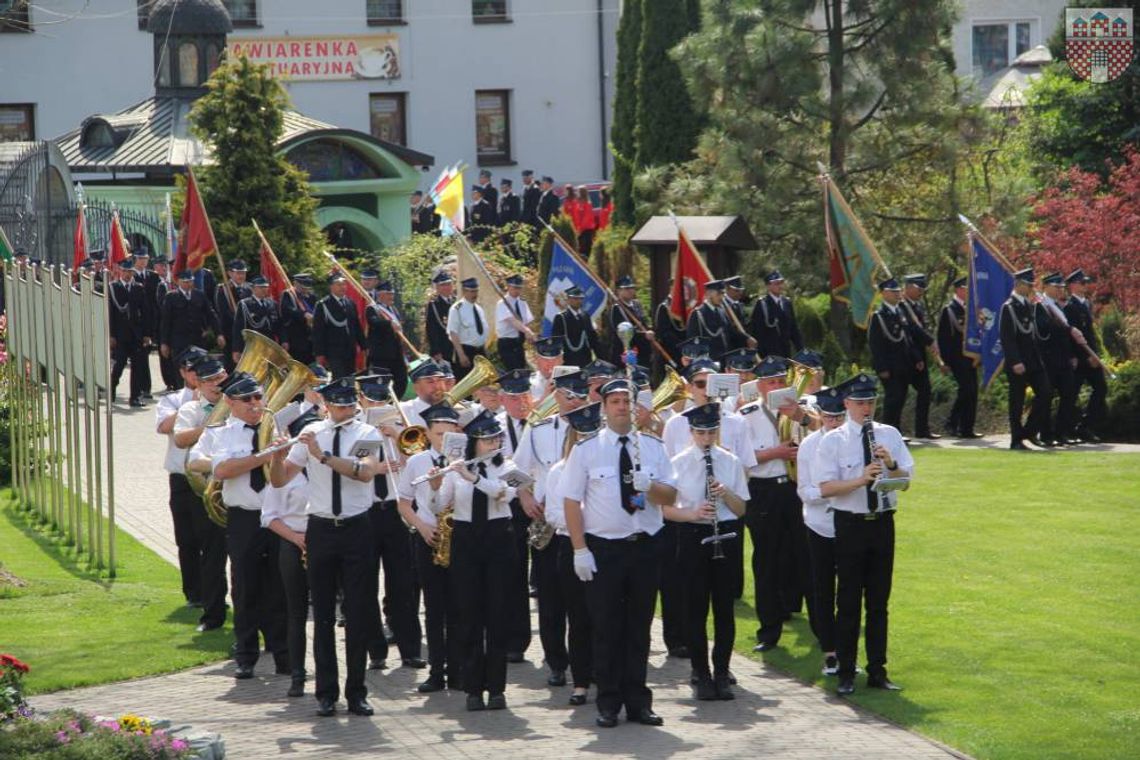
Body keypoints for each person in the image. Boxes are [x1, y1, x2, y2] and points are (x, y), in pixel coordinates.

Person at [562, 377, 678, 728]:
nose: (622, 407)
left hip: (644, 546)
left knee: (639, 627)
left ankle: (639, 702)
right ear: (604, 408)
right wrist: (579, 549)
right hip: (605, 549)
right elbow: (571, 501)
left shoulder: (654, 448)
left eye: (627, 401)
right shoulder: (587, 450)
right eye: (615, 402)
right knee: (606, 627)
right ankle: (608, 702)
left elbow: (671, 497)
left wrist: (651, 486)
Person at [270, 377, 383, 717]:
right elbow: (279, 479)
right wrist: (276, 455)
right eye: (340, 405)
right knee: (320, 615)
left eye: (350, 405)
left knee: (359, 612)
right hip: (320, 529)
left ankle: (357, 691)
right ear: (326, 406)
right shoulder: (311, 433)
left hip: (357, 529)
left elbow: (364, 473)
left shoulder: (367, 434)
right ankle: (326, 693)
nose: (347, 410)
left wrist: (324, 456)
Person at [815, 373, 914, 696]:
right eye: (860, 403)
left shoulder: (889, 434)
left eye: (870, 402)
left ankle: (878, 671)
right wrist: (860, 480)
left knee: (879, 602)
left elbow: (906, 480)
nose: (866, 408)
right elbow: (826, 488)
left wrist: (891, 463)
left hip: (882, 522)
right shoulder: (833, 440)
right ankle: (845, 671)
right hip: (850, 523)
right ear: (847, 404)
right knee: (848, 601)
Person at [206, 372, 289, 680]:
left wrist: (281, 453)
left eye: (258, 397)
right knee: (245, 587)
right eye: (247, 399)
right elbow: (223, 470)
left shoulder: (277, 428)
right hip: (244, 517)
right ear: (230, 403)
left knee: (281, 587)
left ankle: (285, 657)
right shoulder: (223, 433)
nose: (256, 404)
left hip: (277, 515)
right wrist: (262, 456)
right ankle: (245, 655)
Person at [666, 402, 748, 701]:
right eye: (700, 432)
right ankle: (700, 672)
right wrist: (692, 513)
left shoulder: (731, 461)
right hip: (693, 534)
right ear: (691, 432)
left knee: (725, 609)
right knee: (695, 609)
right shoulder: (676, 463)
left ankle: (722, 671)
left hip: (724, 534)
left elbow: (741, 511)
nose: (706, 438)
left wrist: (725, 493)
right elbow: (665, 510)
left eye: (711, 431)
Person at [513, 370, 590, 687]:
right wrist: (524, 494)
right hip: (548, 522)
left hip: (588, 524)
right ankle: (557, 661)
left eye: (579, 394)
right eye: (566, 393)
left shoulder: (595, 430)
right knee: (550, 598)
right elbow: (513, 470)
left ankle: (588, 663)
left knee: (585, 601)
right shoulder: (538, 428)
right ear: (555, 394)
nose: (573, 400)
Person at [439, 411, 518, 711]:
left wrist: (473, 477)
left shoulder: (508, 466)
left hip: (499, 538)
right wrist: (440, 481)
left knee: (498, 613)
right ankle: (473, 688)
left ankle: (497, 688)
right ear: (474, 442)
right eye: (486, 439)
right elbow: (438, 504)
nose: (493, 442)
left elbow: (504, 494)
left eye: (496, 437)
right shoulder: (456, 469)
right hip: (466, 538)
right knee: (468, 614)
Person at [737, 356, 811, 651]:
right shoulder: (747, 414)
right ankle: (769, 631)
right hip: (763, 490)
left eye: (782, 381)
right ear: (760, 385)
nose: (778, 386)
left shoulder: (801, 409)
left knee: (805, 557)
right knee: (766, 561)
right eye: (772, 382)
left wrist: (800, 419)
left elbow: (822, 436)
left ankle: (820, 628)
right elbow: (741, 458)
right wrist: (776, 452)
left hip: (794, 488)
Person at [357, 374, 426, 672]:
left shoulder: (401, 424)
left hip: (397, 510)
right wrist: (380, 465)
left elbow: (417, 461)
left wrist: (396, 437)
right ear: (361, 400)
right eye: (372, 400)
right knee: (366, 583)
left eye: (382, 400)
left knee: (404, 582)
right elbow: (355, 469)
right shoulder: (356, 429)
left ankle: (410, 648)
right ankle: (375, 650)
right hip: (367, 511)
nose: (378, 405)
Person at [397, 402, 464, 693]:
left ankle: (461, 669)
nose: (443, 440)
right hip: (429, 537)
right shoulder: (417, 461)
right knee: (434, 607)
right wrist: (420, 526)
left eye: (449, 434)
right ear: (429, 433)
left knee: (461, 607)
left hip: (461, 536)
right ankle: (437, 670)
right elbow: (402, 501)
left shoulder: (465, 461)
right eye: (438, 434)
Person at [546, 401, 602, 705]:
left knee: (605, 615)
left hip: (605, 543)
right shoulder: (559, 471)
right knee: (578, 617)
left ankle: (603, 674)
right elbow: (555, 514)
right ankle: (580, 681)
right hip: (571, 544)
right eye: (582, 436)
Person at [175, 356, 230, 632]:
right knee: (212, 553)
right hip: (207, 489)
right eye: (210, 381)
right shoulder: (191, 409)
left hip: (239, 489)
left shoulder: (239, 406)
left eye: (220, 380)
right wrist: (212, 421)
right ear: (199, 383)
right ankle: (213, 613)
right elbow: (180, 438)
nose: (216, 386)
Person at [795, 386, 847, 676]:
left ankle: (847, 651)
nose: (834, 422)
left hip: (850, 523)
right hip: (819, 524)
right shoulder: (809, 445)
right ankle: (830, 651)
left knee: (849, 591)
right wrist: (834, 492)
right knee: (823, 590)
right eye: (829, 417)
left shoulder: (854, 440)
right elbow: (805, 490)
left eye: (839, 416)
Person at [261, 423, 311, 699]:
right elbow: (269, 516)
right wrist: (295, 538)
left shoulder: (324, 471)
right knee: (296, 612)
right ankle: (297, 674)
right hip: (294, 543)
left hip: (323, 540)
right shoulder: (285, 473)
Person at [156, 347, 208, 607]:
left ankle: (212, 593)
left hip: (207, 477)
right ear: (182, 373)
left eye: (200, 369)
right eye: (191, 370)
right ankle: (193, 593)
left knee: (209, 539)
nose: (196, 374)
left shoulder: (218, 399)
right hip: (180, 476)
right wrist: (191, 406)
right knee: (186, 539)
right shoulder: (173, 400)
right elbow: (164, 427)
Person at [496, 369, 536, 661]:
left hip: (543, 504)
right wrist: (522, 492)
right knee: (514, 573)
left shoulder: (544, 423)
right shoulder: (494, 427)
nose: (521, 402)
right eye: (513, 397)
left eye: (524, 395)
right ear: (502, 399)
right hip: (511, 506)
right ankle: (515, 640)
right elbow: (500, 467)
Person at [999, 268, 1054, 450]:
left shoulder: (1029, 306)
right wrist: (1015, 361)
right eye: (1028, 285)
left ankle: (1029, 431)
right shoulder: (1009, 307)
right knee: (1017, 400)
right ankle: (1016, 439)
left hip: (1033, 360)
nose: (1031, 288)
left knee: (1045, 392)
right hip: (1018, 362)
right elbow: (1007, 337)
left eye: (1031, 285)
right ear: (1019, 284)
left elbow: (1037, 333)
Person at [869, 277, 922, 436]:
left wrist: (917, 358)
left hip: (904, 364)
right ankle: (887, 433)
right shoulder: (879, 316)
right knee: (892, 400)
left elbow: (908, 338)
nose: (897, 294)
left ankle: (896, 433)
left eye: (898, 291)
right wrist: (882, 367)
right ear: (884, 293)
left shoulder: (900, 311)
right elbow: (875, 345)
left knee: (901, 399)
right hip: (890, 367)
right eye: (894, 292)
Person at [1037, 272, 1080, 445]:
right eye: (1056, 287)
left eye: (1061, 287)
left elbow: (1066, 336)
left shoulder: (1060, 307)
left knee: (1069, 394)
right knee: (1047, 397)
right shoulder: (1041, 307)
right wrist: (1066, 329)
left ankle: (1062, 432)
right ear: (1046, 287)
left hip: (1064, 359)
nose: (1059, 290)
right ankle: (1046, 434)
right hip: (1049, 359)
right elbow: (1044, 331)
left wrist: (1072, 355)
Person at [1064, 269, 1107, 442]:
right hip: (1080, 359)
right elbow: (1071, 336)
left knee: (1101, 388)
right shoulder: (1069, 307)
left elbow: (1090, 334)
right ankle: (1065, 429)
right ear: (1073, 286)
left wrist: (1096, 354)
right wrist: (1084, 357)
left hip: (1091, 357)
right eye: (1082, 283)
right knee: (1071, 394)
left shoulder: (1086, 304)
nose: (1086, 286)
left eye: (1086, 282)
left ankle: (1084, 426)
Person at [160, 269, 221, 388]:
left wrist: (218, 333)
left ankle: (197, 395)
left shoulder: (199, 295)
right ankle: (180, 394)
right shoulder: (171, 297)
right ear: (178, 282)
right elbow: (165, 322)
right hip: (179, 341)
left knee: (199, 369)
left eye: (190, 281)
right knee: (180, 370)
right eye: (185, 281)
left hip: (197, 339)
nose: (188, 284)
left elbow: (211, 315)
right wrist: (164, 343)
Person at [937, 275, 981, 438]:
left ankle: (967, 428)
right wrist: (945, 361)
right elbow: (943, 338)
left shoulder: (971, 309)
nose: (969, 292)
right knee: (966, 389)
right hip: (957, 358)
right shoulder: (950, 310)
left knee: (972, 391)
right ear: (958, 290)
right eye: (966, 288)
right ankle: (952, 422)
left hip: (971, 358)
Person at [899, 274, 941, 439]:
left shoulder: (917, 307)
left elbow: (921, 330)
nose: (921, 292)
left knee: (925, 391)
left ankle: (922, 429)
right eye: (918, 288)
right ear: (908, 287)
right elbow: (909, 333)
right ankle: (897, 431)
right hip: (907, 357)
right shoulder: (902, 306)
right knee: (900, 396)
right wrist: (918, 355)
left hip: (919, 357)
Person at [109, 259, 151, 407]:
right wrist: (111, 335)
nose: (128, 274)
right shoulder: (113, 287)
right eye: (125, 271)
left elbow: (145, 311)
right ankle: (111, 387)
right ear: (120, 271)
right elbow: (110, 314)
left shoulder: (138, 287)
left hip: (136, 334)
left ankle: (135, 397)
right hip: (120, 335)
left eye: (130, 272)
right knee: (119, 365)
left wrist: (146, 334)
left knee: (138, 366)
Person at [312, 271, 365, 380]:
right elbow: (318, 331)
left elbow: (356, 326)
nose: (343, 287)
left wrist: (364, 345)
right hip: (334, 350)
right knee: (339, 379)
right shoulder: (323, 305)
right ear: (331, 287)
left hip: (350, 349)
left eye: (344, 284)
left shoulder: (350, 303)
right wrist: (319, 353)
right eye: (339, 284)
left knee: (351, 378)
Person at [366, 279, 410, 398]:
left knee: (402, 380)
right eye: (388, 294)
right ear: (380, 294)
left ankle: (392, 402)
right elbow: (374, 322)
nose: (392, 296)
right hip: (381, 354)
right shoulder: (373, 308)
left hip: (396, 352)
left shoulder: (393, 309)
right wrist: (389, 323)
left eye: (392, 294)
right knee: (381, 383)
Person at [687, 279, 752, 360]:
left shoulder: (722, 311)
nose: (722, 297)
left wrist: (747, 338)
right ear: (709, 294)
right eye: (719, 293)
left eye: (723, 293)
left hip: (725, 360)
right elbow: (693, 341)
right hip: (708, 362)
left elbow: (731, 332)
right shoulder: (698, 314)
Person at [749, 270, 803, 359]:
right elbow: (757, 331)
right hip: (768, 354)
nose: (780, 286)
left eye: (781, 282)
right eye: (776, 283)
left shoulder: (787, 302)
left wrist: (800, 349)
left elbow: (793, 329)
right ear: (768, 286)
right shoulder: (762, 304)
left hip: (785, 352)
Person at [130, 247, 161, 398]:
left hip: (151, 319)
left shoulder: (153, 276)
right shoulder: (131, 275)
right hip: (138, 320)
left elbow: (157, 299)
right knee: (141, 356)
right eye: (140, 259)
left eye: (145, 259)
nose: (143, 262)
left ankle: (146, 388)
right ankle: (142, 388)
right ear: (135, 259)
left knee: (145, 356)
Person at [214, 260, 252, 372]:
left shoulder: (249, 288)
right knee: (232, 366)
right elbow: (223, 312)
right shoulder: (223, 289)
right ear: (230, 273)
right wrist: (239, 321)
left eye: (243, 273)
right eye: (238, 273)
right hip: (230, 333)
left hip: (248, 334)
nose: (241, 276)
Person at [448, 277, 489, 381]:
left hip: (480, 351)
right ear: (464, 291)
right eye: (471, 291)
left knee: (482, 385)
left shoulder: (479, 309)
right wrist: (461, 355)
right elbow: (453, 332)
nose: (474, 294)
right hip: (466, 351)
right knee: (466, 385)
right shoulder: (457, 309)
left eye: (476, 291)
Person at [608, 275, 653, 368]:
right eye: (626, 288)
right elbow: (623, 332)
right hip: (625, 352)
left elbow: (643, 322)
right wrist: (644, 334)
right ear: (619, 291)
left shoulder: (637, 304)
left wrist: (649, 331)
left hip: (642, 352)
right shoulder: (617, 308)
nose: (630, 291)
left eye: (632, 288)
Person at [231, 275, 280, 361]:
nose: (264, 289)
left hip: (270, 345)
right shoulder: (245, 304)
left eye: (266, 287)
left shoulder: (272, 303)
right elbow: (238, 328)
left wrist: (284, 340)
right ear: (253, 289)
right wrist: (237, 349)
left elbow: (278, 324)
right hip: (253, 345)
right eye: (261, 287)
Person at [495, 273, 536, 371]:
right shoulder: (503, 303)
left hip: (519, 343)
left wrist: (528, 335)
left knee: (522, 370)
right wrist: (527, 331)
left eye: (519, 288)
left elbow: (526, 321)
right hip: (507, 343)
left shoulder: (522, 302)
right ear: (508, 286)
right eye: (515, 288)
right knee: (514, 372)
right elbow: (512, 321)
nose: (517, 290)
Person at [552, 286, 600, 368]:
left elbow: (593, 339)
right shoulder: (561, 317)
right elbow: (556, 341)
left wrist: (600, 358)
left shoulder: (585, 316)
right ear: (569, 299)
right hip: (568, 362)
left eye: (580, 298)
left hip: (586, 361)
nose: (579, 301)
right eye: (575, 298)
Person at [279, 272, 317, 364]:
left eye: (307, 285)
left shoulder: (312, 296)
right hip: (295, 339)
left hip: (310, 339)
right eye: (303, 285)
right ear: (296, 283)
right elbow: (289, 310)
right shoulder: (288, 295)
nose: (306, 288)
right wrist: (304, 314)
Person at [401, 360, 448, 427]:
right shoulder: (403, 410)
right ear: (416, 387)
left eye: (440, 380)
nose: (437, 386)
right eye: (430, 382)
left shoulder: (458, 408)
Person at [425, 271, 456, 365]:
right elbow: (431, 329)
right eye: (443, 285)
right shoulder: (434, 305)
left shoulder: (456, 301)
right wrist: (436, 351)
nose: (447, 287)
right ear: (437, 288)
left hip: (459, 347)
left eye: (449, 284)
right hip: (444, 348)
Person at [722, 276, 750, 351]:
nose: (740, 293)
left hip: (742, 347)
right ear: (727, 288)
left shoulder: (739, 305)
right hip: (729, 347)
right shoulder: (722, 305)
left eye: (741, 290)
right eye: (736, 290)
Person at [572, 186, 598, 256]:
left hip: (586, 230)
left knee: (585, 248)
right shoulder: (578, 203)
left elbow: (586, 218)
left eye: (578, 191)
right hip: (579, 230)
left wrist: (580, 229)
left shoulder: (587, 204)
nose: (577, 193)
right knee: (580, 249)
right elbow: (575, 216)